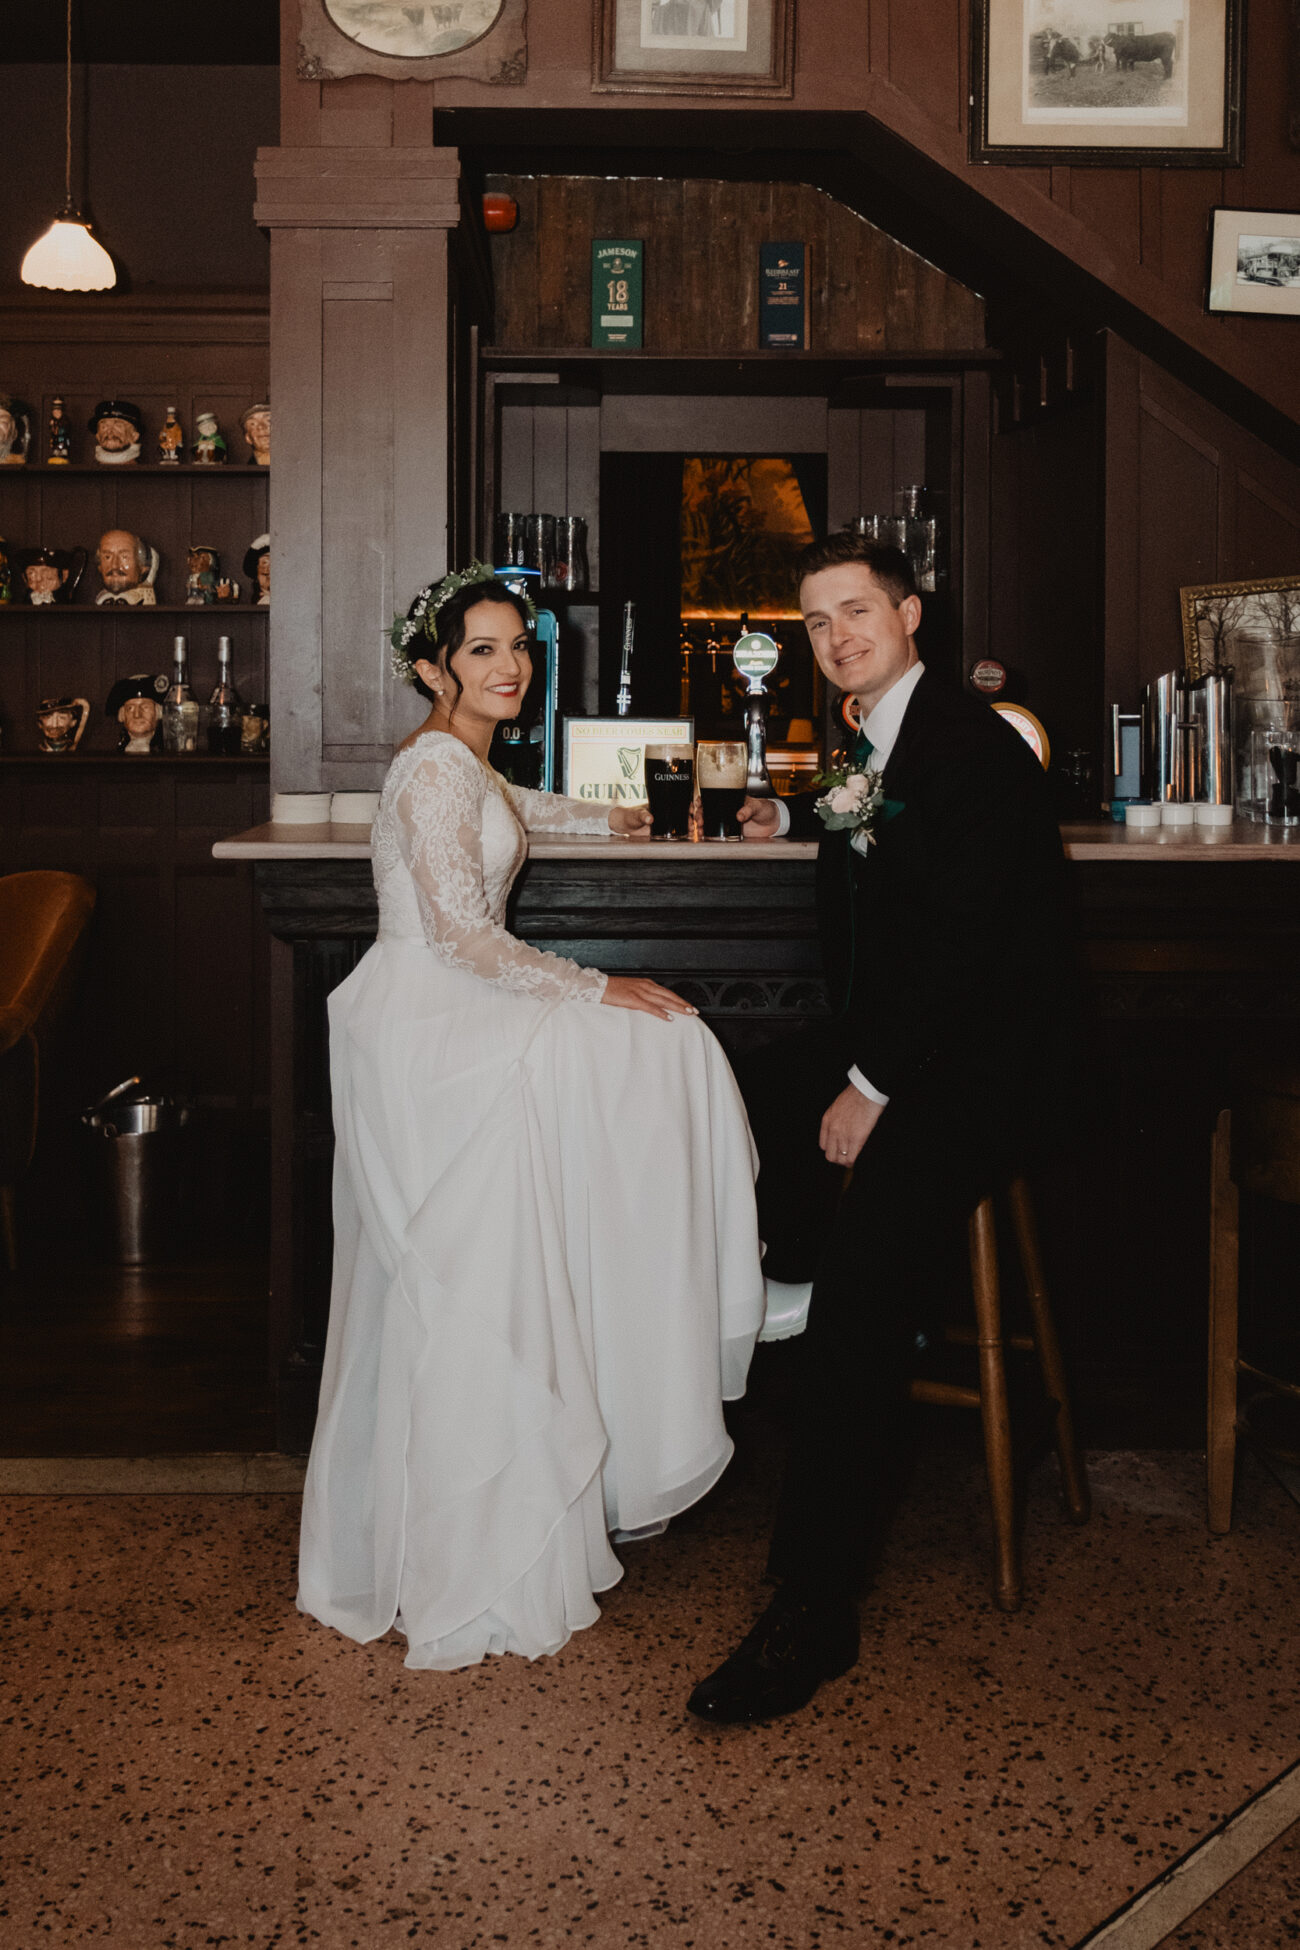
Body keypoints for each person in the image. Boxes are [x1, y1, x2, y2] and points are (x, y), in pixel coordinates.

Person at [298, 562, 765, 1671]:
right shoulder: (432, 773)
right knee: (661, 1043)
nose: (508, 668)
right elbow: (463, 935)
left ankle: (706, 1264)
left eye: (517, 648)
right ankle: (720, 1268)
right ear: (431, 667)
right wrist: (595, 984)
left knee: (645, 1069)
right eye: (481, 651)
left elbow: (539, 813)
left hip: (443, 1009)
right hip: (433, 1021)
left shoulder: (466, 767)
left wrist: (638, 819)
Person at [687, 531, 1080, 1725]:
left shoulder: (970, 744)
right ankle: (774, 1265)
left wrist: (865, 1083)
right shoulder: (867, 744)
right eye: (815, 621)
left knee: (868, 1293)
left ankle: (812, 1610)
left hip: (993, 1067)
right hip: (912, 1037)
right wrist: (790, 825)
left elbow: (964, 954)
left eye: (854, 609)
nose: (835, 636)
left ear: (911, 613)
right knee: (718, 1086)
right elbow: (883, 918)